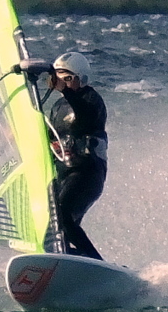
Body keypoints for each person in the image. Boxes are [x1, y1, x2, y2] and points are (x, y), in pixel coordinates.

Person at [15, 51, 108, 260]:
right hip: (63, 174)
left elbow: (85, 117)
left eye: (67, 78)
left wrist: (65, 90)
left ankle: (96, 261)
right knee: (53, 231)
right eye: (57, 78)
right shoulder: (58, 107)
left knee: (62, 216)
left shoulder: (91, 99)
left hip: (86, 173)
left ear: (80, 79)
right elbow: (47, 137)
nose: (61, 83)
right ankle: (71, 263)